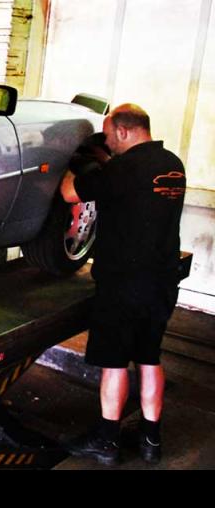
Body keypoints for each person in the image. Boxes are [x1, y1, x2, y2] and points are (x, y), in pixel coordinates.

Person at [59, 103, 186, 465]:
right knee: (149, 357)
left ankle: (107, 440)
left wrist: (80, 162)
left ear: (125, 131)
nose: (110, 143)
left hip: (123, 284)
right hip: (162, 280)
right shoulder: (172, 165)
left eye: (110, 135)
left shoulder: (124, 168)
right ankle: (150, 440)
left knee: (114, 361)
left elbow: (70, 192)